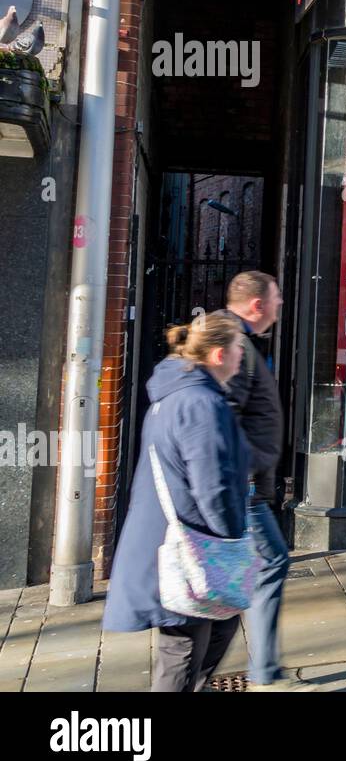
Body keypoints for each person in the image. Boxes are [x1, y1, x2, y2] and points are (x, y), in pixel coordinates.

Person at [103, 310, 249, 693]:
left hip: (169, 539)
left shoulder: (173, 397)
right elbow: (211, 485)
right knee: (182, 649)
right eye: (237, 348)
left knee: (217, 625)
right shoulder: (201, 403)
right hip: (189, 547)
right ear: (218, 354)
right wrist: (234, 543)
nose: (241, 356)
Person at [224, 270, 302, 690]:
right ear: (258, 304)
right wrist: (247, 474)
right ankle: (265, 676)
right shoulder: (233, 343)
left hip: (246, 484)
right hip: (243, 486)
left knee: (256, 568)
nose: (280, 305)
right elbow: (224, 416)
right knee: (269, 563)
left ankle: (261, 671)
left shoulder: (244, 341)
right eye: (277, 298)